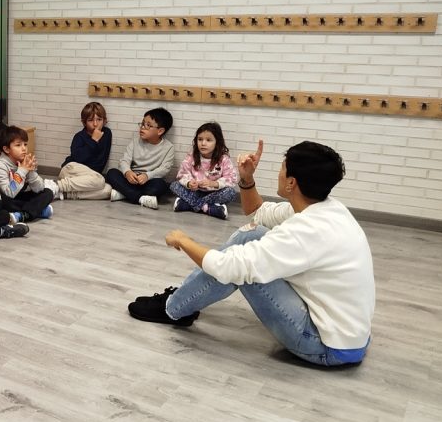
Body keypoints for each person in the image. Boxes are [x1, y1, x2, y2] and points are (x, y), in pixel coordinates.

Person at [128, 140, 376, 367]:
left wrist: (184, 241)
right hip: (349, 336)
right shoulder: (326, 209)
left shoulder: (305, 231)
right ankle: (180, 300)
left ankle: (173, 309)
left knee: (241, 265)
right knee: (252, 235)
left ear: (291, 183)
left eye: (282, 168)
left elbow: (228, 268)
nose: (278, 172)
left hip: (326, 346)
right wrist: (246, 179)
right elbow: (257, 211)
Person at [106, 107, 175, 209]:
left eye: (148, 125)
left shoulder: (169, 147)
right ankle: (140, 198)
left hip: (149, 181)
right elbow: (124, 161)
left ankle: (124, 194)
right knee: (111, 173)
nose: (142, 127)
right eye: (142, 123)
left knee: (161, 185)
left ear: (160, 131)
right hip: (131, 179)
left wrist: (147, 176)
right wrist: (127, 172)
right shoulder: (135, 141)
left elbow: (164, 169)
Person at [170, 122, 238, 219]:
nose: (203, 143)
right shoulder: (192, 156)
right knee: (174, 185)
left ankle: (188, 204)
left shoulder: (223, 159)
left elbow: (231, 178)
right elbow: (182, 174)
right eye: (200, 139)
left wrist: (214, 183)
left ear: (217, 142)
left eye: (208, 140)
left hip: (214, 193)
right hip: (194, 192)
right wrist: (189, 183)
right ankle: (207, 208)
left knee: (231, 192)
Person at [0, 125, 57, 221]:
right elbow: (9, 193)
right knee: (5, 202)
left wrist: (30, 171)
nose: (24, 148)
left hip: (19, 195)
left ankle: (23, 214)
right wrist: (22, 170)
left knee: (48, 192)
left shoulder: (24, 161)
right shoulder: (0, 167)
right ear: (6, 149)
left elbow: (39, 189)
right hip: (7, 198)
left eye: (25, 144)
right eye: (18, 145)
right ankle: (36, 211)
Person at [56, 102, 113, 200]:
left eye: (99, 119)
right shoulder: (79, 136)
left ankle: (65, 194)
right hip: (71, 170)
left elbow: (101, 160)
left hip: (89, 177)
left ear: (104, 120)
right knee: (100, 180)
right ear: (84, 122)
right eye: (90, 120)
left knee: (108, 190)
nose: (95, 124)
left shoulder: (107, 134)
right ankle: (56, 185)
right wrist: (93, 140)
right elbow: (79, 159)